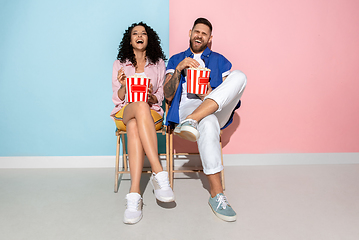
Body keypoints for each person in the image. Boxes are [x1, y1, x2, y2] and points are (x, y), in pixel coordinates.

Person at [164, 18, 247, 222]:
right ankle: (217, 195)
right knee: (208, 122)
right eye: (197, 32)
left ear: (210, 38)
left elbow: (231, 94)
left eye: (204, 33)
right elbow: (166, 95)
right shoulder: (176, 59)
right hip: (185, 111)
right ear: (190, 32)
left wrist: (211, 94)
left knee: (240, 76)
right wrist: (179, 69)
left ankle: (194, 119)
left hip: (214, 107)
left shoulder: (219, 59)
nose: (199, 35)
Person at [111, 22, 175, 224]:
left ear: (149, 39)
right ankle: (159, 171)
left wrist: (152, 98)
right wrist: (123, 86)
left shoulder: (158, 63)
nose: (139, 36)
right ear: (129, 40)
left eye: (144, 33)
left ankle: (134, 195)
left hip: (151, 114)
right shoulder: (120, 64)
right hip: (126, 110)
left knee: (134, 124)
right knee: (137, 106)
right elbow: (118, 98)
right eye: (135, 33)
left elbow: (160, 94)